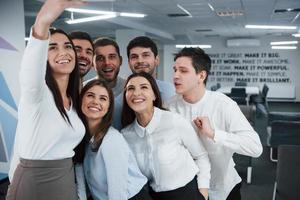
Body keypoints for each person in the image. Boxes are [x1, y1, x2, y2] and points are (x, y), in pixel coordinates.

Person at [7, 0, 86, 199]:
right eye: (52, 47)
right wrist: (42, 23)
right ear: (44, 55)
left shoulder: (73, 100)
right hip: (35, 184)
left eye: (68, 46)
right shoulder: (36, 93)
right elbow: (31, 66)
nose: (63, 52)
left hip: (65, 181)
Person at [166, 48, 263, 200]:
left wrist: (214, 134)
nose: (175, 76)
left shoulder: (224, 104)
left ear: (201, 75)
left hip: (223, 188)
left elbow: (255, 148)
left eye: (183, 71)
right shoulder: (169, 107)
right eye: (175, 70)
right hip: (185, 190)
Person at [121, 72, 211, 200]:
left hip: (187, 194)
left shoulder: (174, 121)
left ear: (154, 95)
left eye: (144, 87)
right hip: (153, 196)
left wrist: (203, 193)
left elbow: (201, 156)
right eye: (130, 88)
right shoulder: (125, 135)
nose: (136, 93)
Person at [79, 79, 152, 200]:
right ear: (81, 100)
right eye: (90, 96)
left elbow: (117, 193)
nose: (96, 102)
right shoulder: (84, 138)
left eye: (103, 98)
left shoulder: (111, 140)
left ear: (108, 108)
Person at [127, 36, 175, 101]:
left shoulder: (171, 92)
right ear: (129, 63)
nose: (140, 61)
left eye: (146, 55)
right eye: (134, 57)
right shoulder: (122, 99)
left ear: (157, 60)